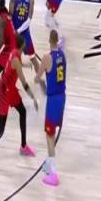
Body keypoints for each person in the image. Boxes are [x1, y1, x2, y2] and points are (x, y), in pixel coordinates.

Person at [0, 34, 38, 167]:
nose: (26, 46)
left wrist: (25, 65)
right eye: (25, 44)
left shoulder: (14, 52)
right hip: (5, 92)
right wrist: (33, 97)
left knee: (23, 112)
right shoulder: (16, 59)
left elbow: (15, 64)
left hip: (10, 89)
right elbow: (24, 83)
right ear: (22, 46)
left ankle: (23, 146)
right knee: (2, 125)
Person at [35, 29, 66, 187]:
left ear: (49, 40)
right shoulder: (62, 54)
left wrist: (39, 79)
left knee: (49, 135)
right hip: (62, 97)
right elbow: (60, 45)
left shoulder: (47, 57)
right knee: (51, 133)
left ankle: (53, 173)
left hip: (53, 100)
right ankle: (48, 163)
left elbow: (38, 77)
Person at [9, 0, 40, 74]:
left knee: (33, 57)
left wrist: (18, 31)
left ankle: (40, 78)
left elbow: (29, 19)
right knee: (12, 58)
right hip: (15, 32)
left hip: (24, 33)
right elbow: (10, 15)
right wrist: (10, 29)